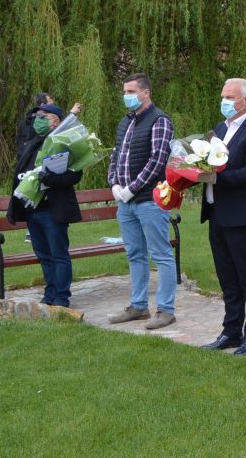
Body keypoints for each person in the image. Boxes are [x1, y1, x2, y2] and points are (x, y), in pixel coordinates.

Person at [199, 78, 246, 356]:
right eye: (223, 96)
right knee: (227, 278)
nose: (225, 101)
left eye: (230, 97)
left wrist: (217, 178)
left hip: (243, 214)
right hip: (217, 212)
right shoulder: (220, 129)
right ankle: (231, 331)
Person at [106, 73, 177, 330]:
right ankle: (138, 306)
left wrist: (132, 189)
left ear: (145, 92)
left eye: (131, 92)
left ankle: (166, 310)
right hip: (125, 203)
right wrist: (114, 183)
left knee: (161, 254)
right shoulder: (125, 122)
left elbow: (157, 160)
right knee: (135, 253)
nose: (126, 96)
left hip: (149, 200)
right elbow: (116, 155)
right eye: (125, 92)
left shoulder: (160, 120)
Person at [6, 103, 82, 307]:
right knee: (44, 255)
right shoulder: (32, 144)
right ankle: (50, 293)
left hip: (52, 209)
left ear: (56, 121)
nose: (37, 120)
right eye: (36, 117)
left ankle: (62, 297)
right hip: (33, 210)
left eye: (43, 116)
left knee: (59, 255)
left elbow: (75, 175)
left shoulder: (63, 142)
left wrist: (49, 178)